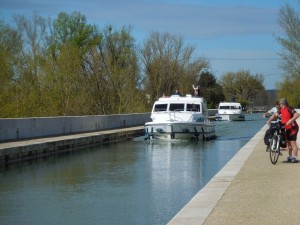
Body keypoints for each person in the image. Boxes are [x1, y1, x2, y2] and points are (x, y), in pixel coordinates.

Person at [267, 98, 299, 163]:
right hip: (287, 128)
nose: (280, 106)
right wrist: (269, 120)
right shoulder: (281, 110)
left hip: (293, 128)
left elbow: (297, 114)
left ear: (284, 104)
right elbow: (275, 115)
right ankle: (289, 157)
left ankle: (295, 158)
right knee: (288, 143)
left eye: (281, 104)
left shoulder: (289, 108)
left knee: (293, 143)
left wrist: (290, 121)